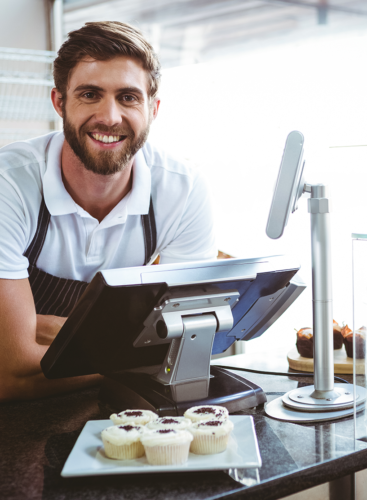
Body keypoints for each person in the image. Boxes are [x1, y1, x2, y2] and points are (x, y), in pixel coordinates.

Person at [0, 21, 217, 402]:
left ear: (154, 109)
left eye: (129, 97)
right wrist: (138, 351)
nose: (110, 116)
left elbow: (188, 345)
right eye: (89, 94)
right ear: (59, 102)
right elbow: (10, 374)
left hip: (110, 404)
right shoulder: (9, 184)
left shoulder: (181, 191)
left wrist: (37, 328)